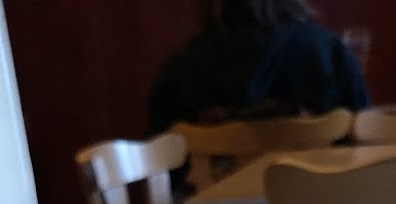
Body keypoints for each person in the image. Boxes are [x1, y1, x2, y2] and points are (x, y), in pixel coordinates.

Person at [148, 0, 369, 135]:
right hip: (317, 199)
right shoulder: (329, 54)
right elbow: (367, 145)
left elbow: (163, 170)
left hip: (217, 200)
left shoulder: (179, 72)